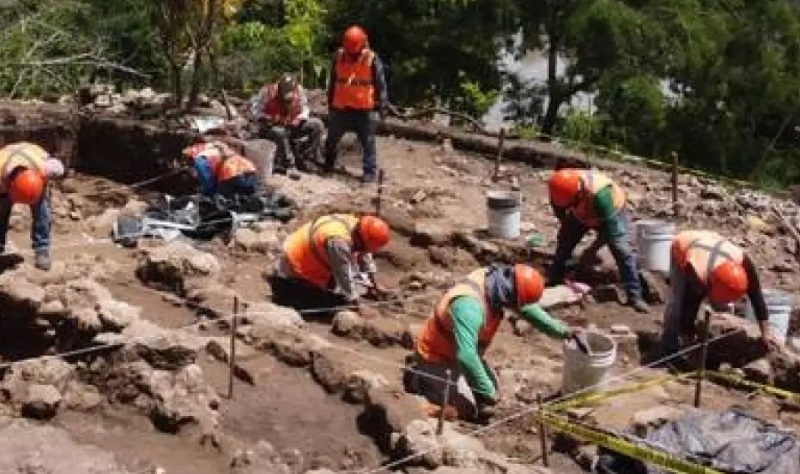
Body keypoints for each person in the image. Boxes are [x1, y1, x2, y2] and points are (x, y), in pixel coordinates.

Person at [406, 263, 577, 422]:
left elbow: (527, 308)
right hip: (436, 357)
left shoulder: (499, 283)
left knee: (492, 390)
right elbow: (466, 357)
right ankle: (419, 380)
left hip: (460, 352)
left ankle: (452, 388)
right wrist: (485, 391)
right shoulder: (469, 306)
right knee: (467, 408)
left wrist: (563, 331)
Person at [660, 229, 781, 357]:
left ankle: (721, 345)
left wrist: (766, 332)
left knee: (723, 310)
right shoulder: (697, 273)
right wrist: (688, 339)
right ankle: (669, 348)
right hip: (684, 245)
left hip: (710, 242)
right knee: (676, 303)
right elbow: (689, 304)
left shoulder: (744, 263)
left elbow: (757, 297)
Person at [546, 167, 647, 311]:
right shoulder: (559, 189)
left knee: (621, 250)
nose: (570, 207)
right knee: (564, 241)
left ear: (579, 194)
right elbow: (560, 210)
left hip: (612, 212)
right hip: (583, 211)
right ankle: (555, 278)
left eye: (572, 204)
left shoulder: (602, 195)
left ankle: (635, 295)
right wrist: (567, 230)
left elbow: (608, 234)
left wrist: (591, 251)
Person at [0, 141, 66, 271]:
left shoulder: (44, 169)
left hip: (33, 173)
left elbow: (59, 168)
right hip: (7, 173)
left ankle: (42, 251)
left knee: (43, 213)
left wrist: (49, 179)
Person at [271, 212, 392, 313]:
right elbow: (343, 274)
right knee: (332, 305)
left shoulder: (357, 226)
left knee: (360, 286)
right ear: (361, 240)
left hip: (305, 253)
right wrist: (358, 305)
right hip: (295, 263)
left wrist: (374, 285)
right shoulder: (338, 240)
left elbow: (365, 254)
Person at [323, 25, 387, 182]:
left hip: (363, 109)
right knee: (332, 139)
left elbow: (380, 84)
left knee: (368, 142)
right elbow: (333, 81)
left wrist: (383, 106)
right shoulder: (338, 56)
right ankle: (329, 164)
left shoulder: (371, 59)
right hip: (341, 107)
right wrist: (330, 102)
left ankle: (369, 172)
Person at [250, 74, 324, 175]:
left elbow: (305, 108)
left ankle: (304, 159)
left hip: (292, 125)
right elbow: (255, 110)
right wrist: (267, 118)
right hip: (273, 128)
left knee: (317, 124)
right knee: (279, 132)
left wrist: (299, 118)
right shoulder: (266, 92)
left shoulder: (299, 90)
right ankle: (289, 164)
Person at [183, 138, 260, 200]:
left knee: (224, 198)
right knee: (247, 195)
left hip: (230, 172)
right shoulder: (214, 147)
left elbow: (206, 179)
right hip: (249, 168)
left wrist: (208, 192)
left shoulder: (199, 160)